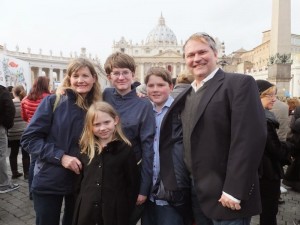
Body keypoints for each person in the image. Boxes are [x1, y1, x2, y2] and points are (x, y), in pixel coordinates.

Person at [159, 32, 267, 225]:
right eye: (190, 55)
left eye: (202, 52)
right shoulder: (188, 93)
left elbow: (249, 139)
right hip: (196, 192)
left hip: (227, 194)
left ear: (215, 54)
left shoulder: (238, 84)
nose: (196, 58)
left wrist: (235, 190)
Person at [21, 58, 102, 225]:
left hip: (80, 182)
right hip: (49, 178)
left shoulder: (98, 106)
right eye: (76, 76)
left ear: (94, 78)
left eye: (85, 75)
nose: (81, 80)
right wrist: (61, 157)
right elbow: (29, 139)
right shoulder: (53, 101)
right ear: (69, 79)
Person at [103, 52, 155, 225]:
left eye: (125, 72)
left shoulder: (144, 104)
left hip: (132, 172)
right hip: (104, 172)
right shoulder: (105, 95)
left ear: (133, 74)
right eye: (116, 73)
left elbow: (148, 148)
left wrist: (144, 187)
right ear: (109, 77)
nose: (121, 77)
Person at [73, 101, 138, 225]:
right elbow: (78, 183)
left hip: (114, 212)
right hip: (87, 211)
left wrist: (125, 209)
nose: (102, 128)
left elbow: (132, 183)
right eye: (96, 124)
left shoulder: (125, 150)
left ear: (115, 120)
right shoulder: (85, 149)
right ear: (90, 126)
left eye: (106, 122)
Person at [141, 67, 191, 225]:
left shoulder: (183, 110)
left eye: (161, 85)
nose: (155, 90)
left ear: (171, 87)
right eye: (151, 86)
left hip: (172, 191)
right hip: (148, 192)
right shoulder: (144, 110)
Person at [256, 80, 293, 225]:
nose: (274, 99)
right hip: (267, 173)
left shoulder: (255, 115)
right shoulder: (263, 120)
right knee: (269, 213)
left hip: (260, 171)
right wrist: (289, 148)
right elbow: (275, 149)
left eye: (275, 95)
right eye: (269, 95)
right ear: (257, 96)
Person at [21, 76, 51, 199]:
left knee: (33, 163)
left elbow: (24, 116)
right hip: (46, 133)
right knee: (45, 161)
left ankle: (32, 191)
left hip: (31, 131)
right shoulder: (48, 98)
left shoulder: (25, 99)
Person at [7, 85, 30, 179]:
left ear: (13, 93)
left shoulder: (10, 103)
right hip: (24, 132)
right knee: (25, 154)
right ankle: (27, 173)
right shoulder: (25, 103)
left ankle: (14, 173)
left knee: (13, 153)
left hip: (12, 132)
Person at [0, 84, 19, 193]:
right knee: (2, 154)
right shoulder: (2, 91)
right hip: (1, 126)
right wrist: (6, 124)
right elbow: (9, 108)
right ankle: (3, 184)